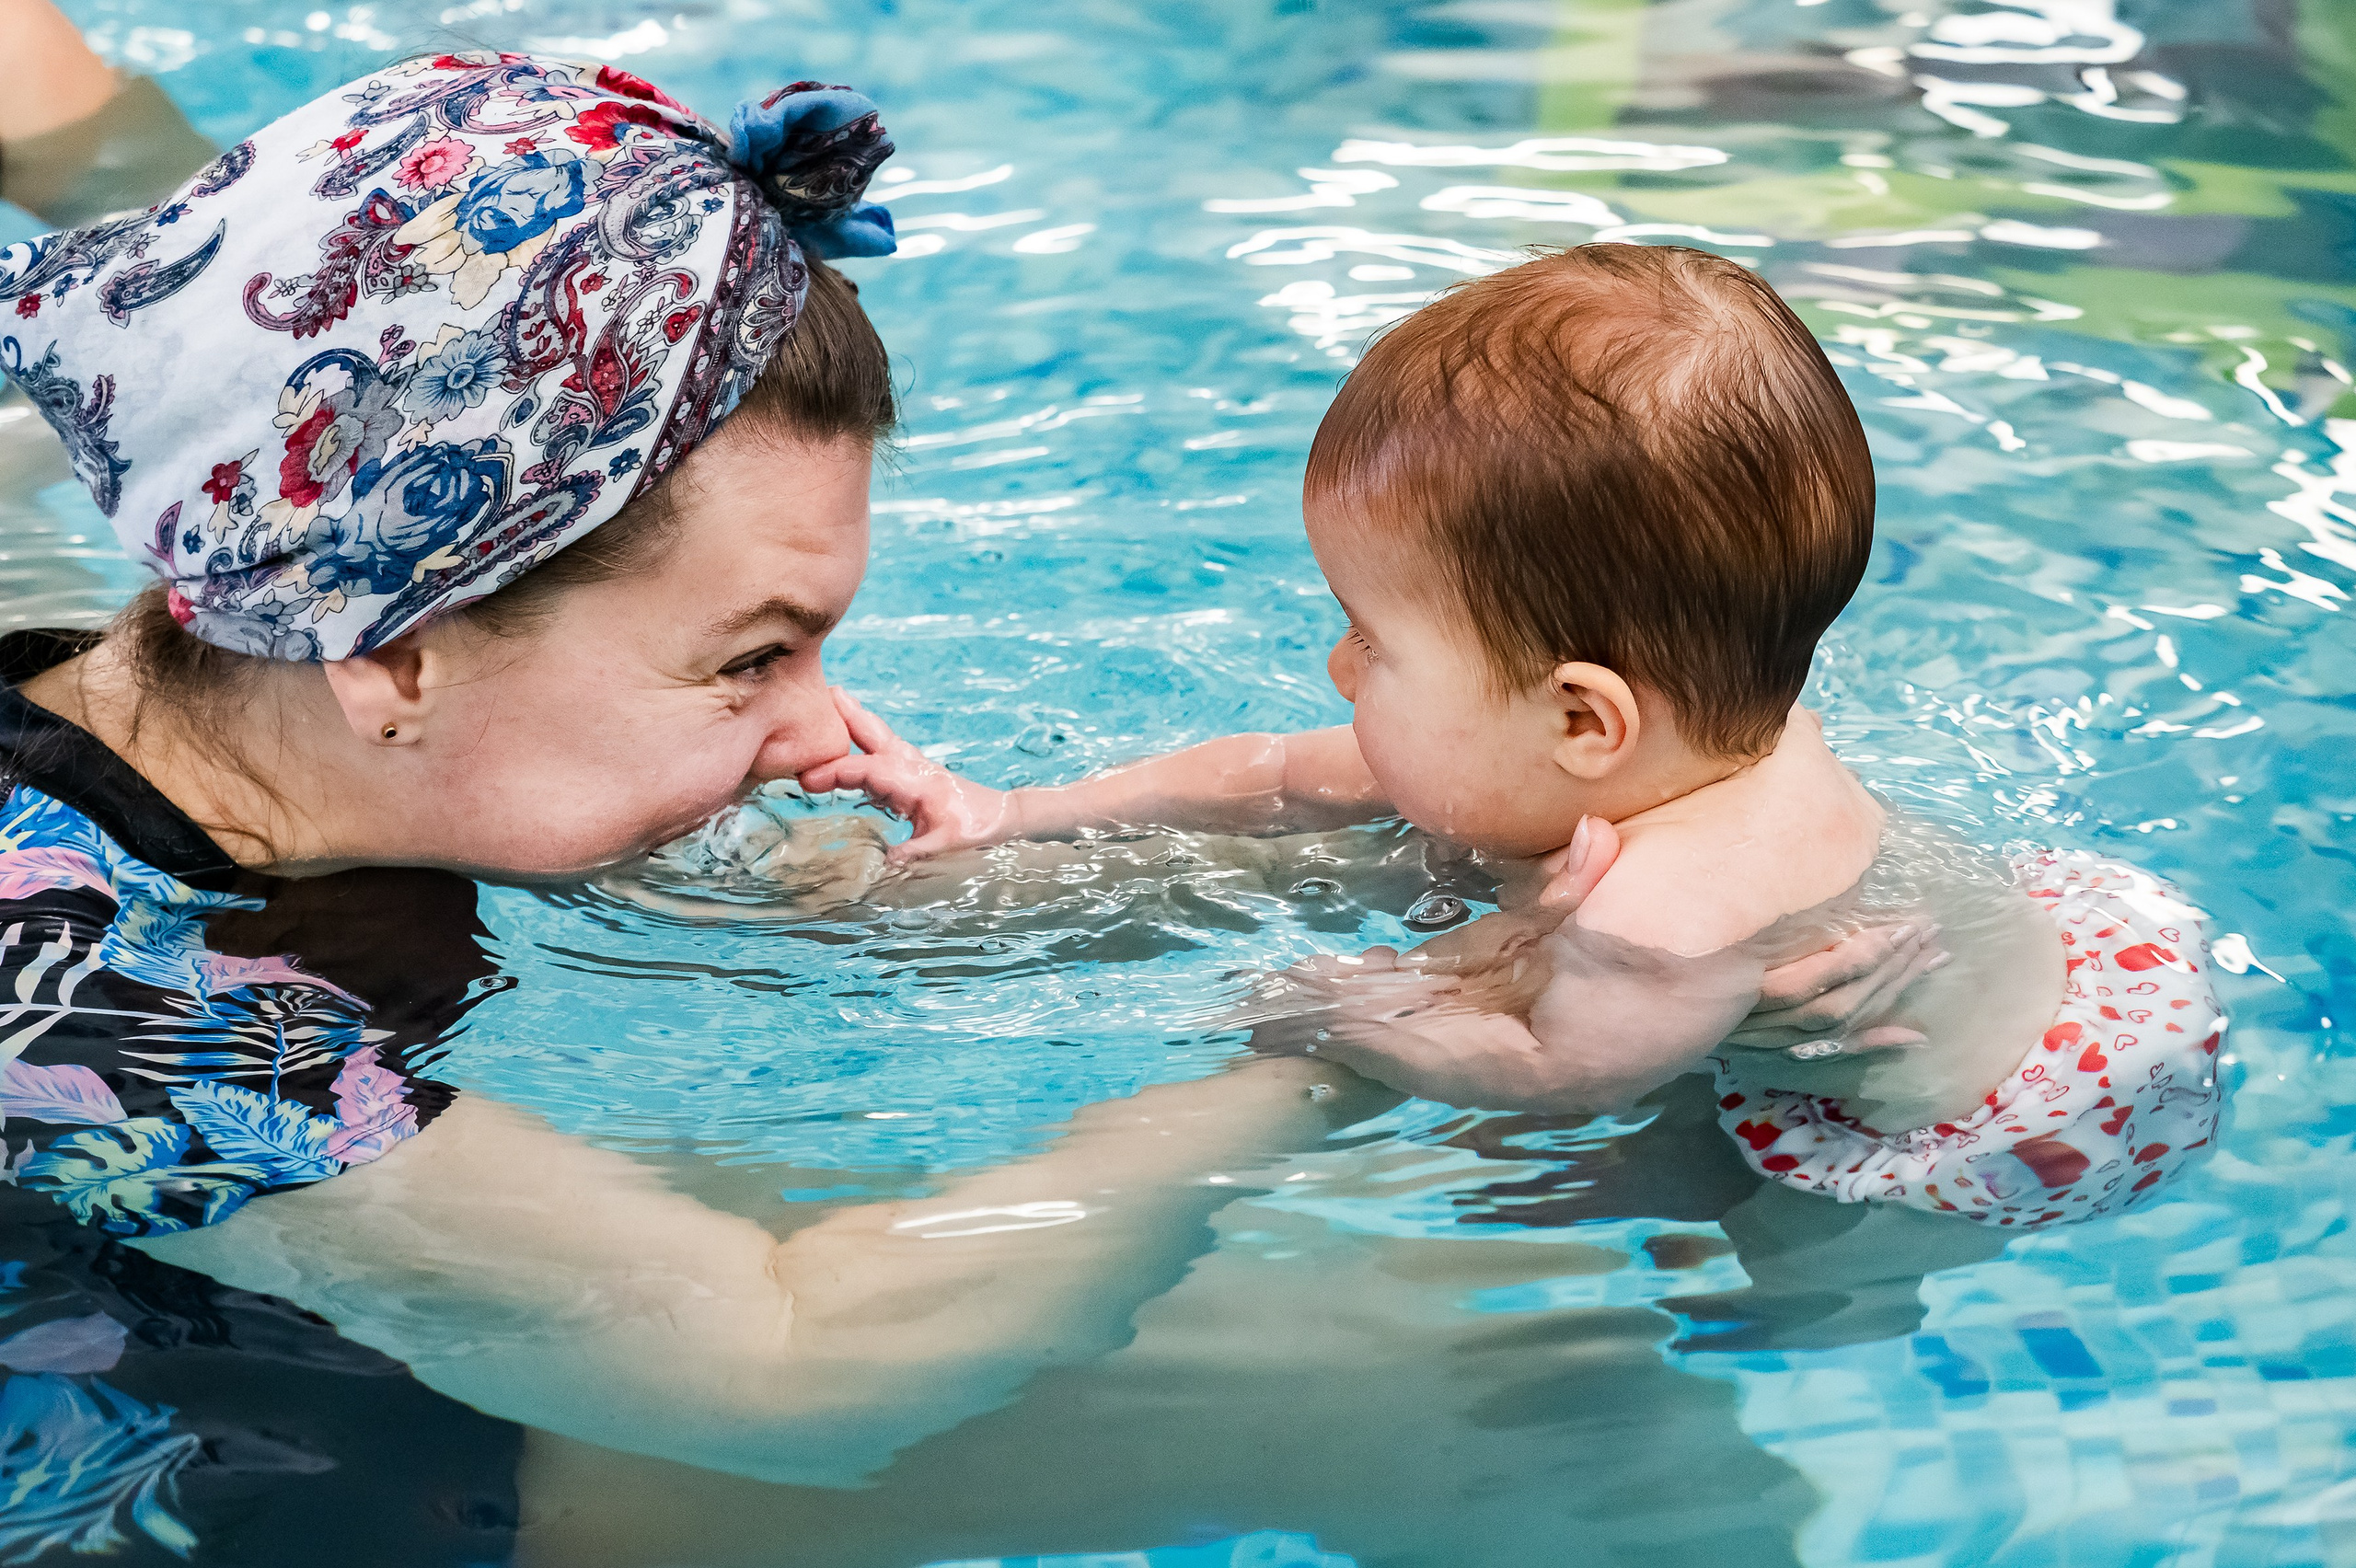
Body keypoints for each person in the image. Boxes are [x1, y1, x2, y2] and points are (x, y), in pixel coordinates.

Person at [0, 50, 1922, 1518]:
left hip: (303, 1307)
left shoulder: (248, 699)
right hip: (211, 1474)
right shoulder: (98, 1012)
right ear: (398, 652)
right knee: (1525, 1407)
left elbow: (900, 934)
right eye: (750, 658)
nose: (824, 730)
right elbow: (789, 1361)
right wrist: (1328, 1049)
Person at [806, 244, 2231, 1228]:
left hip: (2011, 1098)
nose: (1336, 659)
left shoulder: (1667, 914)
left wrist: (1332, 1008)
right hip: (2030, 932)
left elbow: (1558, 1081)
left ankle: (1833, 1303)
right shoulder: (1677, 725)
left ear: (1582, 720)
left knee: (1773, 1245)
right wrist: (1012, 812)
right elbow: (1280, 776)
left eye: (1377, 637)